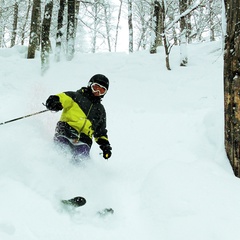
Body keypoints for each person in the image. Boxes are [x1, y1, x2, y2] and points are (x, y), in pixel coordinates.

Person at [45, 74, 112, 162]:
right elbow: (62, 98)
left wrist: (105, 145)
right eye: (96, 87)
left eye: (102, 90)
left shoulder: (100, 111)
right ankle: (52, 165)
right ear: (90, 84)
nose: (97, 92)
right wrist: (54, 101)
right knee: (60, 153)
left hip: (84, 141)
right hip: (66, 131)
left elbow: (100, 132)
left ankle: (78, 174)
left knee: (81, 160)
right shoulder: (75, 96)